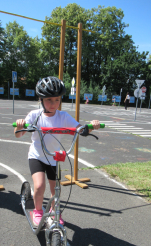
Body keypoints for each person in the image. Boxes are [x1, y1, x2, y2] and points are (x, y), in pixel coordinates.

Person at [14, 76, 100, 226]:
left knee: (56, 190)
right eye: (49, 100)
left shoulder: (63, 116)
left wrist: (92, 126)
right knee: (40, 185)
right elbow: (18, 134)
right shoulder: (35, 115)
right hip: (37, 157)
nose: (53, 104)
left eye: (57, 100)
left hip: (54, 158)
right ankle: (38, 211)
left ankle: (56, 213)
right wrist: (20, 126)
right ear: (41, 99)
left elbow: (80, 129)